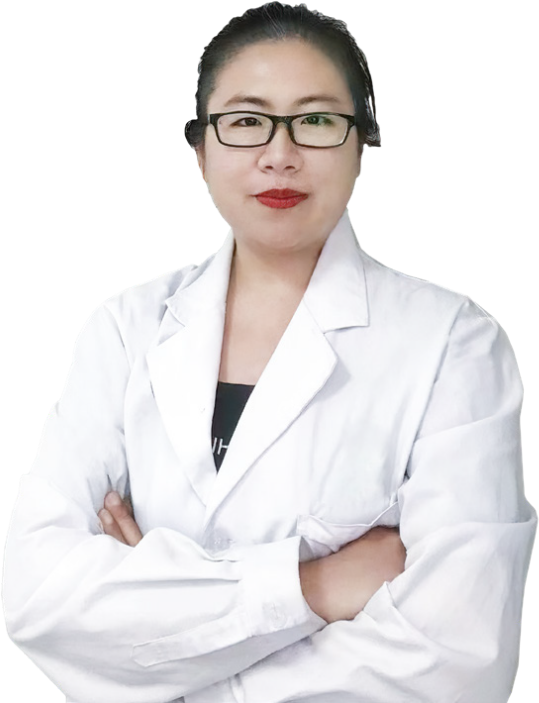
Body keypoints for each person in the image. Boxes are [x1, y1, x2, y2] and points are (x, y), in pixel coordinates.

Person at [2, 3, 536, 702]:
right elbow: (39, 596)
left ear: (363, 143)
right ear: (200, 148)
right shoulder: (125, 328)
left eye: (315, 120)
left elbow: (460, 657)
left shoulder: (453, 342)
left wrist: (160, 647)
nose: (279, 154)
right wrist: (314, 586)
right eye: (246, 120)